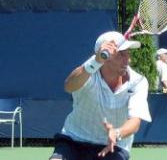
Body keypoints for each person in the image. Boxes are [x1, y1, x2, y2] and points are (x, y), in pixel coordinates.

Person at [49, 31, 152, 160]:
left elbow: (135, 121)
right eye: (120, 54)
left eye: (127, 54)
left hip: (114, 146)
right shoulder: (88, 74)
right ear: (104, 57)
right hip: (74, 140)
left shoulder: (138, 82)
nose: (128, 60)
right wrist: (95, 61)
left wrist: (117, 133)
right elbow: (69, 86)